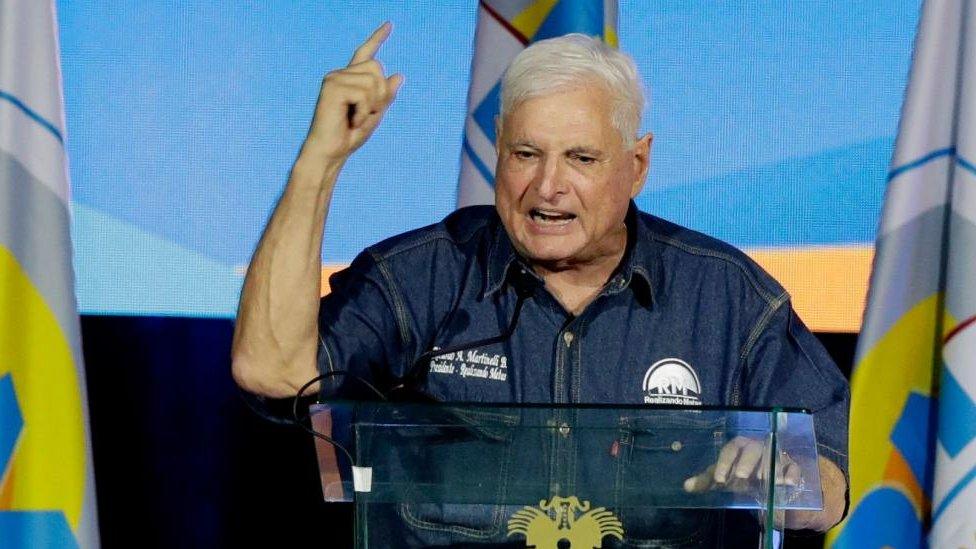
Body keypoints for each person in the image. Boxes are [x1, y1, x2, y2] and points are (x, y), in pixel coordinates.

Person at [232, 22, 849, 546]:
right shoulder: (421, 277)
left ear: (636, 166)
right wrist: (320, 159)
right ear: (497, 152)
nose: (547, 186)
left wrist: (785, 479)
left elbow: (832, 484)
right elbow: (272, 370)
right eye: (526, 154)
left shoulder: (725, 296)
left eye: (581, 159)